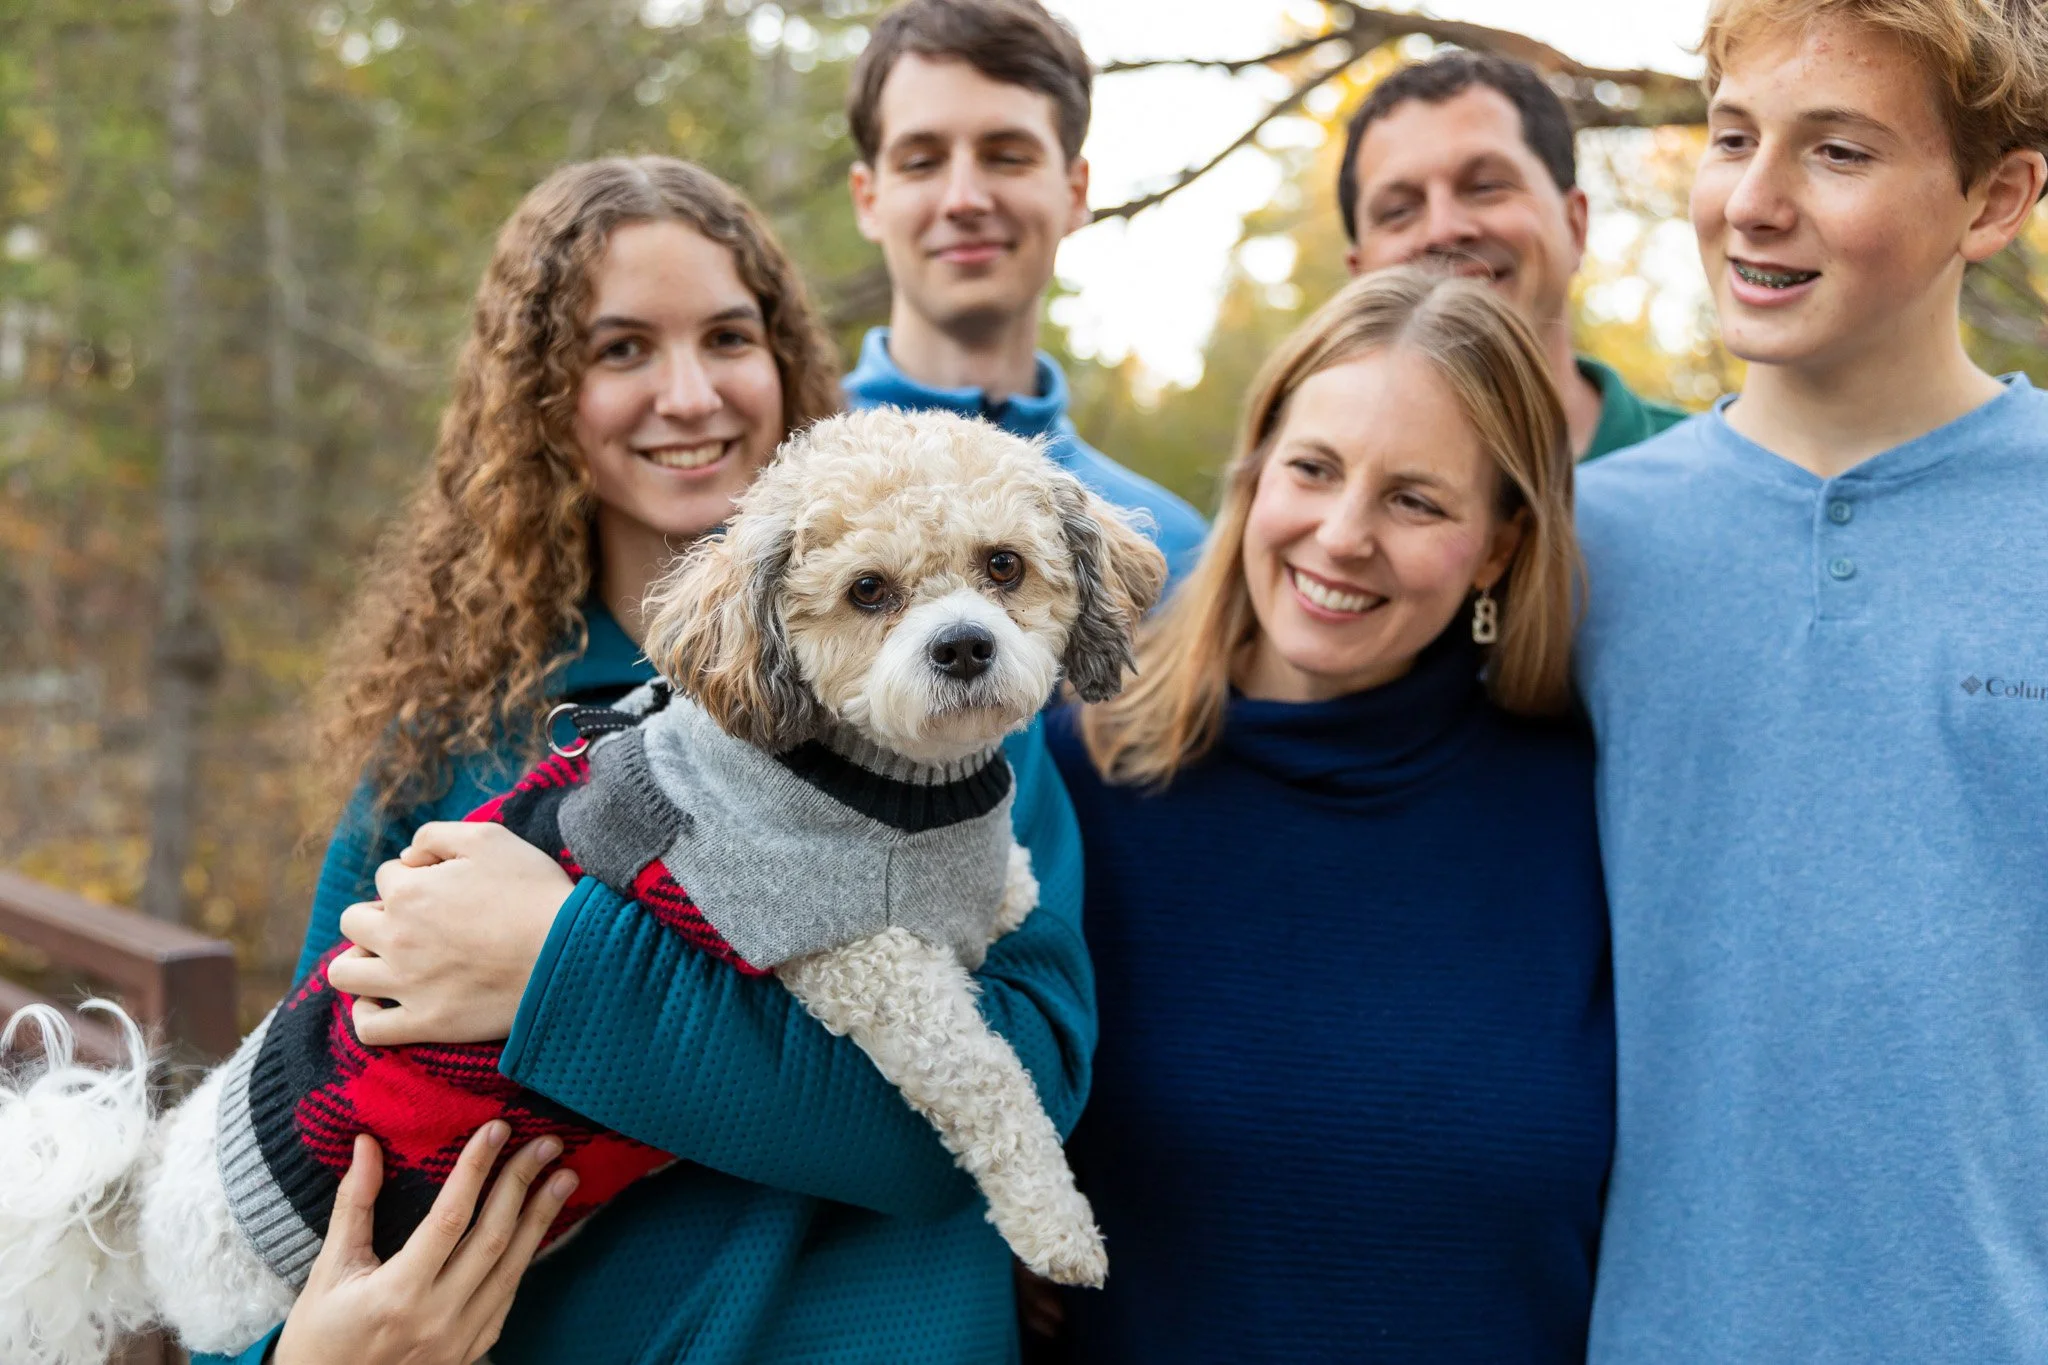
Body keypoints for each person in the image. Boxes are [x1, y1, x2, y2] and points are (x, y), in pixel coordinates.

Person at [200, 155, 1099, 1364]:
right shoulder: (447, 739)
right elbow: (312, 1113)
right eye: (620, 350)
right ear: (542, 403)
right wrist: (298, 1358)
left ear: (781, 362)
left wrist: (555, 972)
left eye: (728, 336)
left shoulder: (953, 717)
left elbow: (1002, 1113)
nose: (688, 394)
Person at [1572, 0, 2048, 1359]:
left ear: (1998, 196)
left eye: (1838, 153)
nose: (1753, 202)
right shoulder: (1588, 547)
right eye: (1732, 139)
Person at [1044, 267, 1614, 1362]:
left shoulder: (1586, 814)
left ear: (1497, 544)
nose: (1342, 534)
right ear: (1255, 474)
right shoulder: (1078, 785)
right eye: (1312, 469)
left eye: (1415, 499)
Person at [841, 0, 1209, 583]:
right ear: (869, 198)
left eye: (1007, 156)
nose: (964, 198)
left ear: (1075, 190)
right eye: (920, 161)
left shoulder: (1176, 553)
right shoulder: (755, 503)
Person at [1338, 51, 1687, 460]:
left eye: (1485, 186)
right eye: (1398, 211)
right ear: (1358, 277)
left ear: (1574, 226)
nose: (1443, 229)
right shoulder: (1298, 501)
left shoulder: (1716, 477)